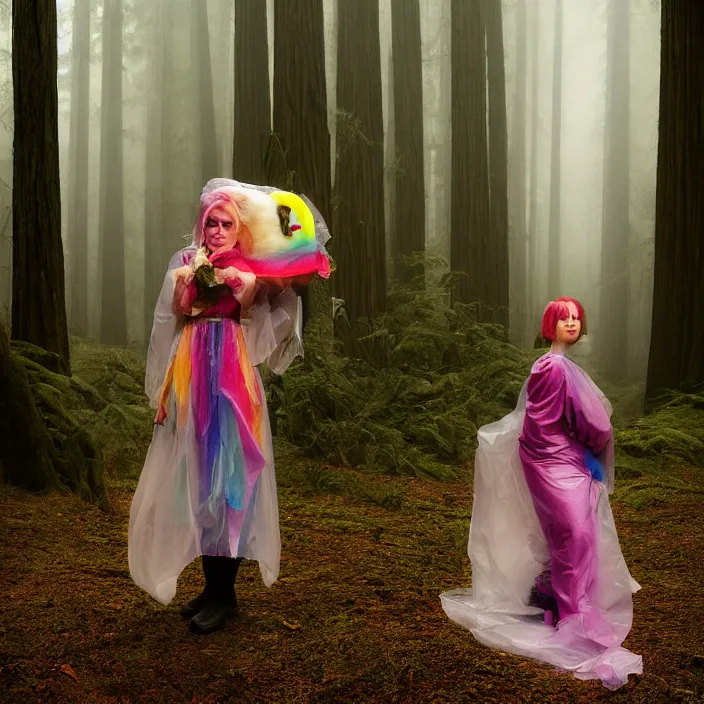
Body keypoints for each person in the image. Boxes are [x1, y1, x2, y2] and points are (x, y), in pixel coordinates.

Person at [129, 179, 330, 634]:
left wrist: (257, 284)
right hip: (193, 378)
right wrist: (164, 388)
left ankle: (227, 594)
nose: (217, 230)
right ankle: (210, 588)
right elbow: (171, 322)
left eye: (226, 223)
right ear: (201, 226)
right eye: (211, 223)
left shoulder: (250, 270)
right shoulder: (184, 264)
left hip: (232, 382)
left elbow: (276, 308)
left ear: (237, 227)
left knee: (230, 483)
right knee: (200, 482)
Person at [441, 297, 642, 689]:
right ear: (550, 325)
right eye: (563, 318)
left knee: (574, 537)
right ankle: (571, 612)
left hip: (563, 460)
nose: (571, 323)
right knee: (574, 534)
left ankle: (561, 600)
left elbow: (584, 419)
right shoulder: (551, 367)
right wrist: (592, 442)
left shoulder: (562, 367)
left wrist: (587, 444)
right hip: (553, 463)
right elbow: (583, 422)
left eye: (576, 318)